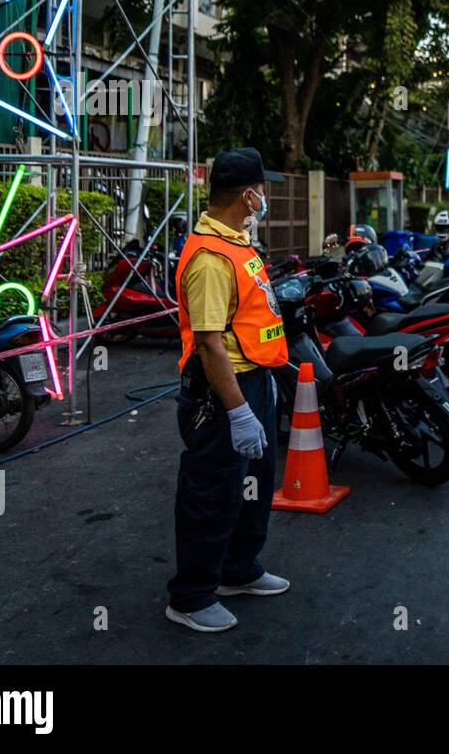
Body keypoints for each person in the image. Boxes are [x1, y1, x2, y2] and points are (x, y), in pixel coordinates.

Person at [166, 147, 290, 634]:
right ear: (247, 194)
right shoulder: (211, 257)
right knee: (212, 492)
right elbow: (209, 344)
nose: (265, 196)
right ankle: (192, 596)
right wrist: (238, 410)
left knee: (252, 488)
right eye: (262, 188)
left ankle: (238, 571)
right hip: (223, 393)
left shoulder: (236, 243)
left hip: (254, 381)